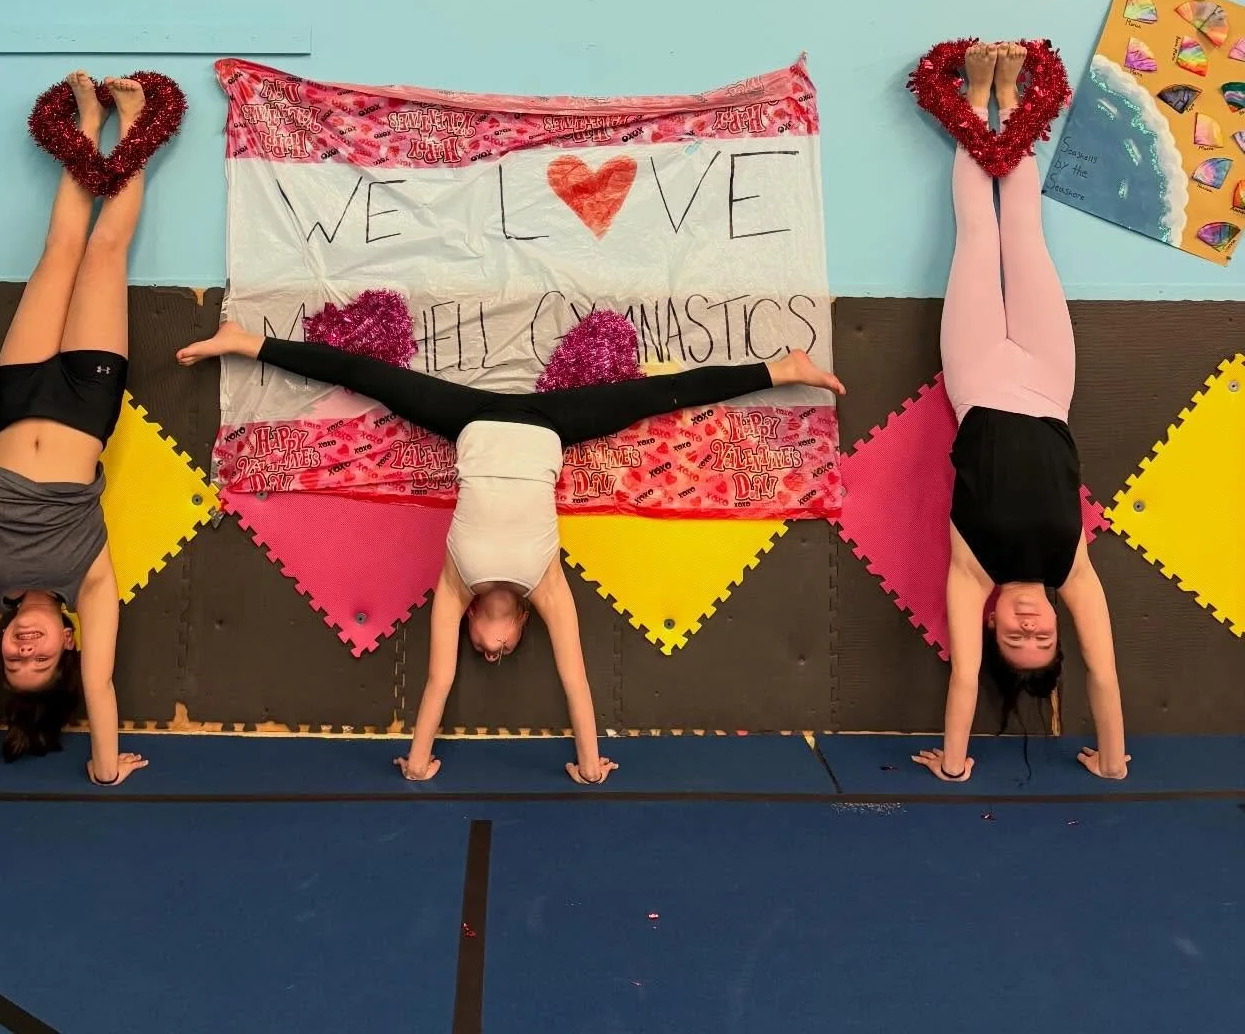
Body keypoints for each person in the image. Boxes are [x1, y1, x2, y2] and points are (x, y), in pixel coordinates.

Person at [180, 320, 844, 784]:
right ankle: (782, 368)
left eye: (483, 650)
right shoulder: (546, 584)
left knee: (370, 376)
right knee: (657, 397)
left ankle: (246, 341)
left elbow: (437, 682)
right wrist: (588, 763)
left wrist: (417, 762)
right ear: (519, 622)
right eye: (501, 651)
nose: (490, 654)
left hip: (469, 422)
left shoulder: (455, 583)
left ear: (473, 621)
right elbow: (576, 681)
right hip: (551, 430)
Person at [0, 74, 155, 790]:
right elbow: (104, 690)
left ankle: (85, 121)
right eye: (40, 659)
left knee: (57, 251)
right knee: (104, 251)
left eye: (15, 661)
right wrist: (107, 767)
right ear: (66, 645)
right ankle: (135, 123)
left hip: (16, 403)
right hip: (87, 404)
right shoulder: (93, 586)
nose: (23, 651)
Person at [913, 42, 1129, 785]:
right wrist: (1113, 758)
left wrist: (953, 760)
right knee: (1024, 236)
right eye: (1043, 640)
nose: (1031, 627)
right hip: (1046, 385)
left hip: (975, 381)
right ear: (1058, 630)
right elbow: (1102, 673)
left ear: (995, 625)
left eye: (1017, 639)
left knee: (980, 236)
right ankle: (1016, 99)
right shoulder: (1074, 572)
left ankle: (978, 97)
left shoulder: (972, 574)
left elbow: (966, 680)